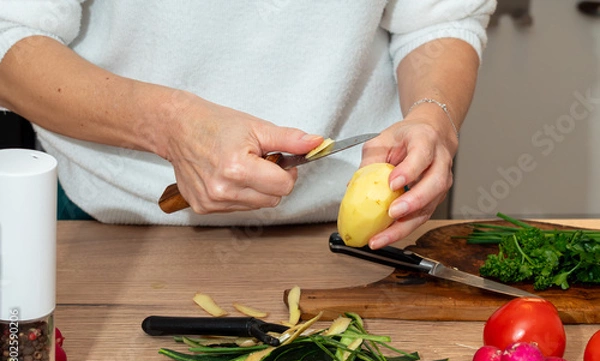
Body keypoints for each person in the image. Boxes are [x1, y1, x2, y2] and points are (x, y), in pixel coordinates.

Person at [0, 1, 497, 249]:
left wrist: (434, 115)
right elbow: (10, 33)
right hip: (106, 232)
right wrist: (165, 125)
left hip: (356, 242)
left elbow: (439, 18)